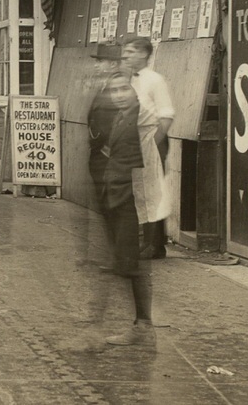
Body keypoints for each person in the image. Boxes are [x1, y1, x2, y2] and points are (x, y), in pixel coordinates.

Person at [86, 41, 154, 347]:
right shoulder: (118, 110)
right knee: (123, 262)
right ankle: (139, 325)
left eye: (123, 90)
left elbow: (141, 159)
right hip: (113, 194)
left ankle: (136, 326)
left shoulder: (138, 114)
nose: (118, 95)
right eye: (115, 92)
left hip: (128, 197)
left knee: (126, 263)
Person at [121, 36, 174, 259]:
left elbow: (166, 115)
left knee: (154, 189)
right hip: (136, 139)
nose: (126, 56)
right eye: (124, 53)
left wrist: (154, 141)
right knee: (140, 189)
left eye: (131, 52)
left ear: (143, 53)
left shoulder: (155, 80)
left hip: (153, 136)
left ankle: (156, 244)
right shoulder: (128, 79)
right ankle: (147, 241)